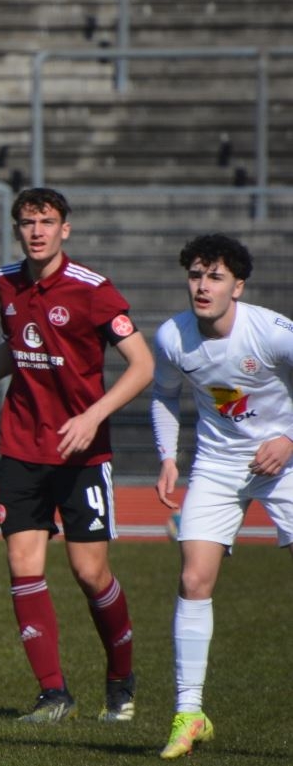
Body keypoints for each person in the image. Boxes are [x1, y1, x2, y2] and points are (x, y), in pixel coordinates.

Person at [0, 187, 153, 724]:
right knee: (23, 563)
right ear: (17, 230)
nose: (37, 231)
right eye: (28, 222)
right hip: (22, 446)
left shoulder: (93, 290)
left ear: (65, 229)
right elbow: (18, 345)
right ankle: (54, 694)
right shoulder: (6, 282)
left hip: (82, 454)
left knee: (90, 573)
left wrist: (92, 417)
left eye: (47, 221)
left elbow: (143, 366)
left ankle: (120, 679)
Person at [150, 233, 293, 759]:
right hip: (217, 465)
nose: (202, 286)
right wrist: (168, 456)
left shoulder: (271, 332)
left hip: (285, 463)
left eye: (215, 277)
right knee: (193, 579)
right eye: (196, 275)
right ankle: (189, 714)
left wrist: (289, 438)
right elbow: (164, 394)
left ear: (238, 286)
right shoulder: (172, 336)